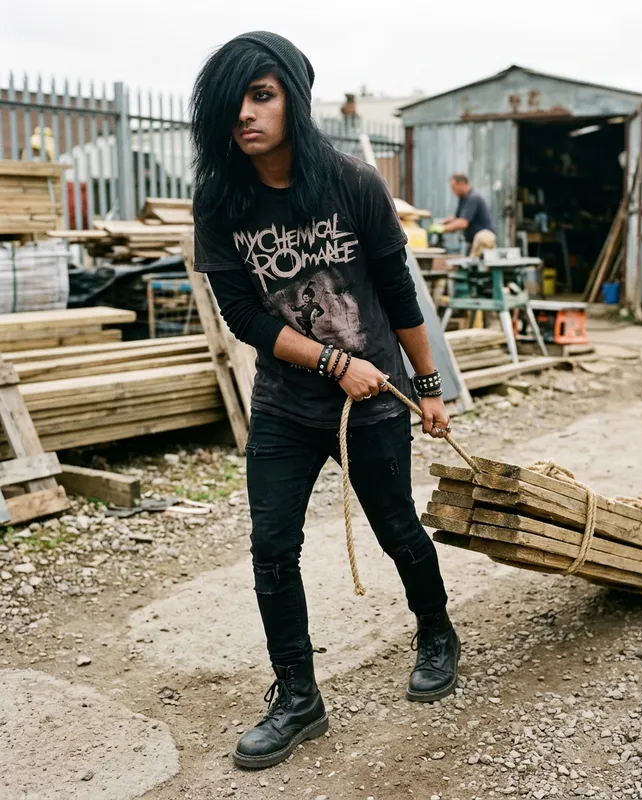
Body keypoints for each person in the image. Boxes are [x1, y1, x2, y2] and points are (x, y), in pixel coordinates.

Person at [190, 31, 461, 771]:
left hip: (374, 403)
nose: (246, 114)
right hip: (284, 405)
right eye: (234, 102)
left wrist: (429, 387)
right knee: (273, 548)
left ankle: (436, 630)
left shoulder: (352, 184)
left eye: (262, 95)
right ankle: (298, 696)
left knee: (397, 529)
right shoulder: (219, 200)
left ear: (293, 100)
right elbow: (244, 317)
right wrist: (332, 361)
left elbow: (400, 291)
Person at [442, 173, 497, 256]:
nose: (452, 191)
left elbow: (463, 223)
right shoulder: (463, 199)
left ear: (461, 184)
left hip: (483, 240)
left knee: (476, 266)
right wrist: (441, 223)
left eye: (453, 187)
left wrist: (443, 229)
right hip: (473, 241)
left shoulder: (473, 198)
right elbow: (456, 218)